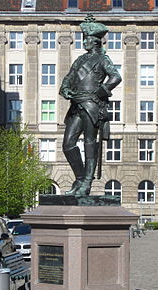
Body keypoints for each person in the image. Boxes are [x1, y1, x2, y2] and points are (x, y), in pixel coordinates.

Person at [59, 15, 121, 196]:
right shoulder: (79, 60)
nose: (84, 42)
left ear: (95, 42)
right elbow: (68, 78)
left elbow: (115, 77)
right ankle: (80, 178)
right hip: (76, 104)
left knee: (89, 143)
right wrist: (65, 89)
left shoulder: (103, 59)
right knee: (68, 144)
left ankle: (87, 183)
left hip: (92, 105)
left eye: (87, 39)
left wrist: (101, 92)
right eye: (84, 39)